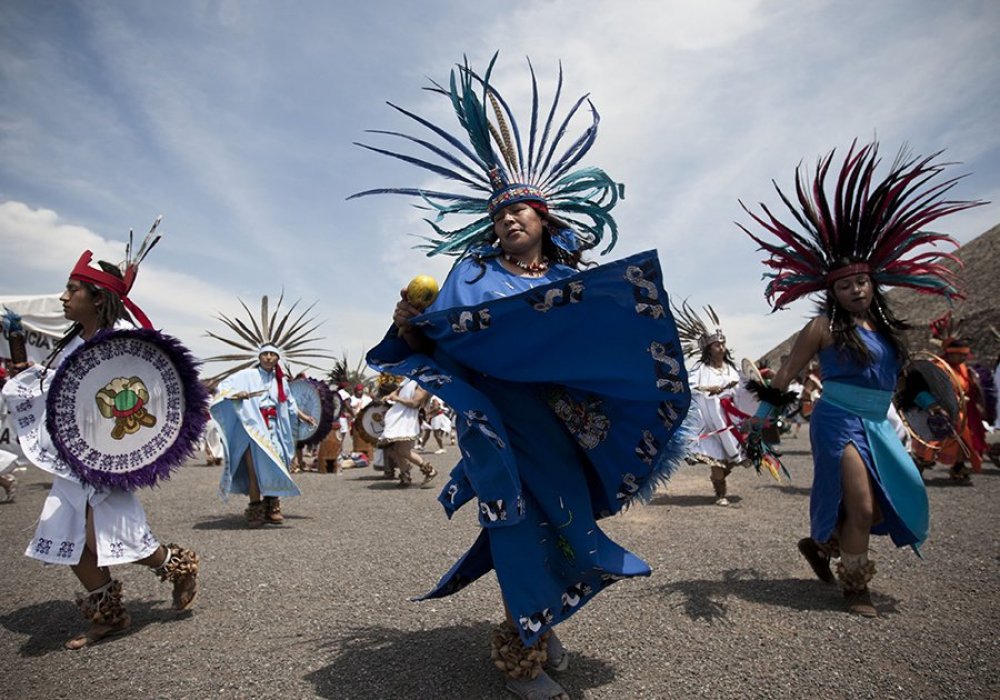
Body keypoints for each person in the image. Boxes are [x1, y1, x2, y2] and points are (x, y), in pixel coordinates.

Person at [355, 56, 690, 699]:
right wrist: (407, 323)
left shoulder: (570, 281)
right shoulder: (471, 275)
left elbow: (609, 337)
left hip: (561, 424)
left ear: (544, 220)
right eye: (501, 215)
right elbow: (436, 336)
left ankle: (538, 618)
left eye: (523, 213)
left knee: (562, 520)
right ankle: (523, 655)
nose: (510, 221)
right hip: (496, 422)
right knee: (515, 523)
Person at [739, 141, 983, 617]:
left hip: (880, 423)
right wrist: (757, 426)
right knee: (864, 504)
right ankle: (856, 588)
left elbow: (902, 381)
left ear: (874, 285)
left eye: (862, 283)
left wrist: (929, 407)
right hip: (838, 419)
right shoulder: (821, 328)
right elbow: (784, 377)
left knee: (877, 500)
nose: (855, 289)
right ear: (833, 291)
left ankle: (825, 544)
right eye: (845, 285)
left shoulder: (888, 332)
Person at [1, 239, 201, 649]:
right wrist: (20, 355)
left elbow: (153, 393)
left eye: (72, 288)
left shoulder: (126, 340)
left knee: (110, 536)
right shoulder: (71, 344)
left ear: (98, 298)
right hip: (74, 457)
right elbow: (59, 392)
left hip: (109, 457)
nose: (63, 296)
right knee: (68, 538)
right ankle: (110, 614)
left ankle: (176, 566)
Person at [205, 295, 329, 526]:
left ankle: (273, 504)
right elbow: (223, 388)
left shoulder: (281, 381)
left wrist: (304, 416)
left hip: (276, 430)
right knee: (253, 470)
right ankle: (255, 508)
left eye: (273, 354)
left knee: (275, 465)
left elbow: (289, 404)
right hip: (254, 430)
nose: (269, 357)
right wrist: (236, 395)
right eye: (265, 354)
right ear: (259, 357)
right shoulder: (247, 376)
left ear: (278, 358)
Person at [674, 302, 745, 505]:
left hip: (731, 420)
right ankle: (721, 494)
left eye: (723, 343)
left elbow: (743, 388)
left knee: (732, 460)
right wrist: (709, 390)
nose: (721, 347)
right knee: (716, 458)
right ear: (708, 348)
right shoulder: (701, 369)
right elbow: (690, 388)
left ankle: (721, 476)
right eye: (716, 344)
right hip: (712, 421)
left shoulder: (732, 368)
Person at [911, 336, 987, 481]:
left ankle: (958, 467)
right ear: (950, 353)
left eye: (965, 355)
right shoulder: (939, 368)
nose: (963, 358)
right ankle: (920, 464)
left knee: (963, 439)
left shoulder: (962, 368)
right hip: (940, 410)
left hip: (959, 411)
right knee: (937, 440)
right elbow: (930, 389)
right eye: (960, 355)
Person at [382, 377, 437, 487]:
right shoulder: (407, 381)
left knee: (403, 450)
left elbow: (415, 403)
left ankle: (429, 470)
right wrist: (389, 396)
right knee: (396, 449)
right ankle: (405, 477)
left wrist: (397, 399)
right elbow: (397, 391)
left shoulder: (421, 384)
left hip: (408, 421)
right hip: (399, 419)